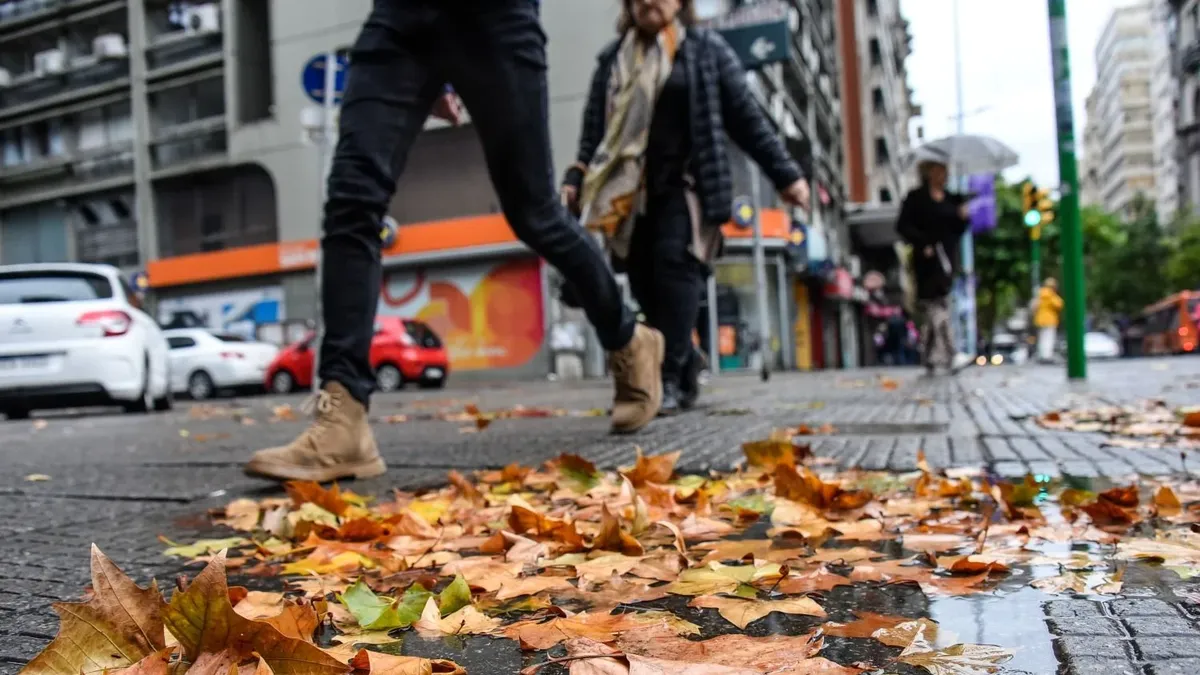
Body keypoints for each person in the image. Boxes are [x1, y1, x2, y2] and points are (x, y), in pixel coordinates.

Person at [244, 0, 670, 483]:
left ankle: (628, 337)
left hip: (496, 19)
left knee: (535, 214)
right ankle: (342, 418)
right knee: (351, 202)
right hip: (398, 23)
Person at [560, 0, 809, 414]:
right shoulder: (612, 60)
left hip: (687, 186)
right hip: (630, 195)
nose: (647, 2)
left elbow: (746, 118)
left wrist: (786, 176)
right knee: (645, 286)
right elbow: (593, 134)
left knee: (674, 265)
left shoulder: (706, 50)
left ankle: (669, 378)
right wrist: (575, 177)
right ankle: (687, 362)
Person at [896, 155, 969, 376]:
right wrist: (922, 242)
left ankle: (929, 355)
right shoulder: (915, 198)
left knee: (938, 305)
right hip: (925, 259)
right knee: (936, 304)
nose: (943, 175)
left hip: (946, 258)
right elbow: (902, 226)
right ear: (928, 173)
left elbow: (958, 230)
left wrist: (963, 218)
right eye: (938, 170)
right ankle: (952, 353)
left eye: (945, 171)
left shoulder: (953, 199)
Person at [1033, 277, 1064, 363]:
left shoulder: (1040, 293)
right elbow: (1059, 304)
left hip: (1040, 319)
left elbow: (1035, 307)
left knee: (1042, 338)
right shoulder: (1050, 294)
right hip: (1049, 319)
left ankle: (1042, 354)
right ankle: (1047, 356)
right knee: (1049, 338)